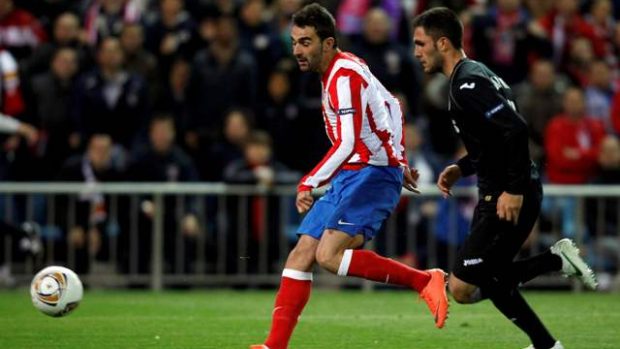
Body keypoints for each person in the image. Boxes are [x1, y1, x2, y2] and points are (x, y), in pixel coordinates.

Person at [250, 5, 448, 349]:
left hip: (370, 173)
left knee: (327, 256)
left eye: (306, 42)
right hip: (358, 171)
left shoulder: (345, 75)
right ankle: (274, 346)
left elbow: (348, 141)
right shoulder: (344, 70)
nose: (297, 49)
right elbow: (391, 105)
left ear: (328, 43)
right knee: (301, 254)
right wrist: (400, 157)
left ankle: (424, 280)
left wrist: (309, 181)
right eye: (295, 41)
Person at [412, 8, 597, 349]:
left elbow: (515, 130)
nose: (416, 52)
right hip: (503, 188)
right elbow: (495, 141)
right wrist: (463, 167)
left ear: (443, 43)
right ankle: (546, 342)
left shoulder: (467, 84)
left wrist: (513, 190)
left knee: (466, 279)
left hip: (505, 195)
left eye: (421, 44)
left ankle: (554, 262)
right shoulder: (475, 74)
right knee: (471, 287)